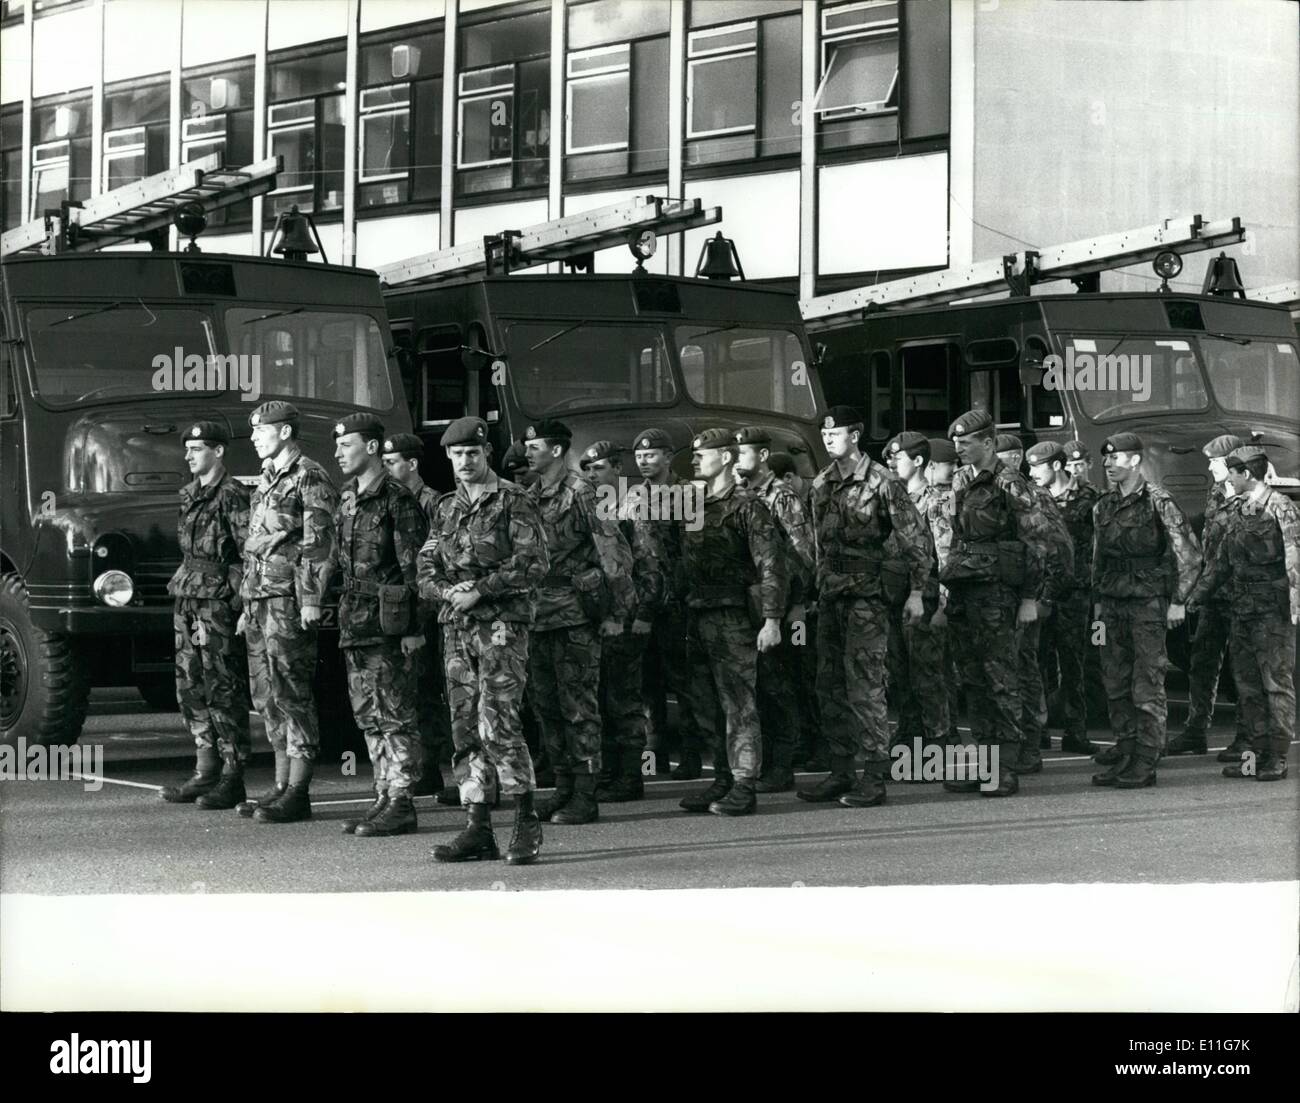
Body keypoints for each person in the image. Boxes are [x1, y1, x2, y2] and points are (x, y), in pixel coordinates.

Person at [418, 416, 549, 864]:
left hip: (501, 626)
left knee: (499, 722)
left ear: (486, 453)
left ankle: (525, 820)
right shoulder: (446, 506)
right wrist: (448, 591)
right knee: (464, 727)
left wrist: (481, 589)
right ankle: (477, 826)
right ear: (449, 458)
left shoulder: (514, 501)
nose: (465, 461)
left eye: (472, 453)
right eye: (457, 455)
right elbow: (426, 566)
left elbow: (533, 564)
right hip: (457, 627)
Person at [798, 407, 930, 808]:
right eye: (824, 433)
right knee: (829, 686)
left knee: (866, 688)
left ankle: (874, 775)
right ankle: (841, 771)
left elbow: (915, 540)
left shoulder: (883, 482)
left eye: (835, 433)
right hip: (831, 597)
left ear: (854, 435)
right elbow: (817, 547)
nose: (828, 439)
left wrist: (917, 593)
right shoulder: (821, 483)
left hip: (867, 599)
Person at [939, 411, 1059, 797]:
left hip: (999, 595)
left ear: (988, 443)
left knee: (1001, 681)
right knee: (973, 681)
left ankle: (1006, 766)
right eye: (956, 442)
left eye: (966, 442)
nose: (959, 447)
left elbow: (1038, 543)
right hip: (965, 592)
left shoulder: (1011, 485)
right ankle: (985, 762)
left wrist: (1029, 597)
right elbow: (955, 539)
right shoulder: (961, 481)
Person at [522, 420, 634, 825]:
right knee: (546, 706)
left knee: (579, 707)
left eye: (535, 445)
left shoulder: (585, 492)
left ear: (556, 451)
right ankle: (563, 788)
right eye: (527, 445)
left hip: (575, 615)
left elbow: (614, 553)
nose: (528, 451)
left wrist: (617, 613)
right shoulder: (530, 495)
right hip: (537, 616)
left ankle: (586, 795)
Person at [236, 400, 339, 824]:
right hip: (260, 599)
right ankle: (280, 784)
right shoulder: (267, 479)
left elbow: (320, 543)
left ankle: (298, 790)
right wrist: (246, 602)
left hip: (288, 600)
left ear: (284, 432)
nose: (256, 437)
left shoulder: (309, 476)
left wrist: (312, 599)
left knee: (291, 691)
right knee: (266, 694)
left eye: (262, 430)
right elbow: (255, 545)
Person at [677, 428, 787, 816]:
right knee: (705, 703)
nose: (694, 460)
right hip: (698, 614)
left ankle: (744, 784)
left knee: (739, 703)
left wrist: (772, 620)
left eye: (702, 454)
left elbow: (771, 564)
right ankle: (722, 778)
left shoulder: (746, 505)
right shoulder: (693, 504)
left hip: (734, 617)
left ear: (725, 458)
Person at [332, 415, 429, 837]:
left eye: (346, 445)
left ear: (371, 448)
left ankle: (403, 800)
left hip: (389, 623)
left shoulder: (397, 500)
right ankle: (384, 793)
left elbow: (416, 570)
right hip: (355, 620)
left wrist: (415, 627)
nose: (338, 453)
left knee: (396, 715)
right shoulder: (349, 497)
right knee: (368, 715)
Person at [1090, 432, 1201, 789]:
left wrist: (1178, 601)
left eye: (1115, 458)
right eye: (1106, 459)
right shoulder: (1103, 504)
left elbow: (1189, 554)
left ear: (1135, 461)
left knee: (1147, 683)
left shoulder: (1158, 500)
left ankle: (1146, 758)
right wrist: (1096, 605)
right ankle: (1125, 752)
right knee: (1115, 680)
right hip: (1111, 604)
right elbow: (1098, 558)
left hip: (1148, 603)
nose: (1108, 464)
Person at [1188, 445, 1297, 782]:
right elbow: (1220, 561)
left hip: (1272, 613)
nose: (1227, 480)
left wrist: (1295, 607)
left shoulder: (1280, 508)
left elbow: (1296, 560)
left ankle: (1276, 758)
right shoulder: (1235, 509)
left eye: (1232, 473)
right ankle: (1253, 759)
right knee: (1247, 687)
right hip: (1242, 611)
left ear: (1245, 473)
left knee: (1275, 685)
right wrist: (1195, 596)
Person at [161, 421, 253, 809]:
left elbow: (249, 552)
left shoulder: (232, 495)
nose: (188, 455)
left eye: (197, 448)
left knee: (223, 687)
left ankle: (233, 775)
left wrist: (245, 602)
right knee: (190, 684)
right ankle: (206, 769)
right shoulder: (190, 495)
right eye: (188, 449)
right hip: (188, 596)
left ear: (218, 451)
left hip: (216, 601)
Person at [578, 440, 665, 802]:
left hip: (627, 619)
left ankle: (632, 776)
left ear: (617, 469)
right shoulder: (593, 507)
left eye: (598, 469)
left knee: (625, 699)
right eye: (588, 470)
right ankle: (609, 771)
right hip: (600, 619)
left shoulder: (633, 507)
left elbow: (650, 567)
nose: (592, 475)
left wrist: (643, 614)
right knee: (600, 698)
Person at [734, 427, 816, 792]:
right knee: (761, 684)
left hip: (782, 606)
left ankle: (785, 763)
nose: (738, 460)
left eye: (744, 453)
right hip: (752, 601)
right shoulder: (744, 496)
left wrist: (796, 604)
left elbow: (802, 553)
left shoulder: (781, 497)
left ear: (763, 456)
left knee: (781, 682)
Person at [635, 427, 715, 778]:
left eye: (651, 455)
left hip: (678, 602)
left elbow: (694, 550)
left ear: (668, 457)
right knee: (648, 681)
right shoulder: (634, 495)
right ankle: (656, 754)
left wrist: (683, 592)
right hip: (644, 602)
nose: (644, 461)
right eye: (639, 456)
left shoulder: (688, 493)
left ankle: (693, 754)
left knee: (684, 682)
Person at [1166, 434, 1250, 760]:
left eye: (1215, 461)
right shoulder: (1215, 493)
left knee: (1243, 668)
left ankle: (1246, 737)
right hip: (1213, 596)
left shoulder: (1253, 498)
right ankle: (1195, 730)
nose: (1210, 467)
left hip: (1243, 598)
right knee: (1202, 663)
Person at [381, 433, 453, 799]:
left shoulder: (432, 502)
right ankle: (426, 767)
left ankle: (437, 766)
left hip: (430, 608)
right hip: (402, 605)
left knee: (432, 691)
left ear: (412, 464)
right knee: (410, 691)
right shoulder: (389, 499)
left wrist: (424, 616)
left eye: (393, 462)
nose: (387, 468)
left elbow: (434, 558)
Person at [1005, 437, 1075, 773]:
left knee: (1030, 668)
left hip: (1032, 599)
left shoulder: (1032, 496)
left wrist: (1046, 597)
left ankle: (1034, 743)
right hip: (1001, 600)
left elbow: (1060, 552)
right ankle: (1017, 745)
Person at [1027, 440, 1099, 756]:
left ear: (1057, 465)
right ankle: (1039, 731)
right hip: (1041, 591)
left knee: (1073, 663)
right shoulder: (1031, 498)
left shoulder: (1089, 498)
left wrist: (1099, 596)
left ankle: (1075, 730)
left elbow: (1101, 547)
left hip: (1075, 592)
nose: (1031, 473)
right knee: (1037, 662)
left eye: (1036, 466)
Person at [882, 432, 946, 756]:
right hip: (896, 596)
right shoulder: (894, 498)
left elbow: (945, 556)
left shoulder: (935, 501)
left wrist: (942, 607)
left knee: (926, 677)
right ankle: (909, 739)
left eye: (898, 457)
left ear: (918, 460)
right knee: (900, 675)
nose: (891, 463)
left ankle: (937, 744)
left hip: (924, 597)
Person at [926, 438, 963, 746]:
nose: (954, 469)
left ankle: (946, 734)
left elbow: (946, 554)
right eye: (948, 464)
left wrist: (943, 602)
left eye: (954, 464)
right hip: (928, 592)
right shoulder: (930, 497)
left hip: (941, 593)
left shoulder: (945, 500)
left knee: (939, 666)